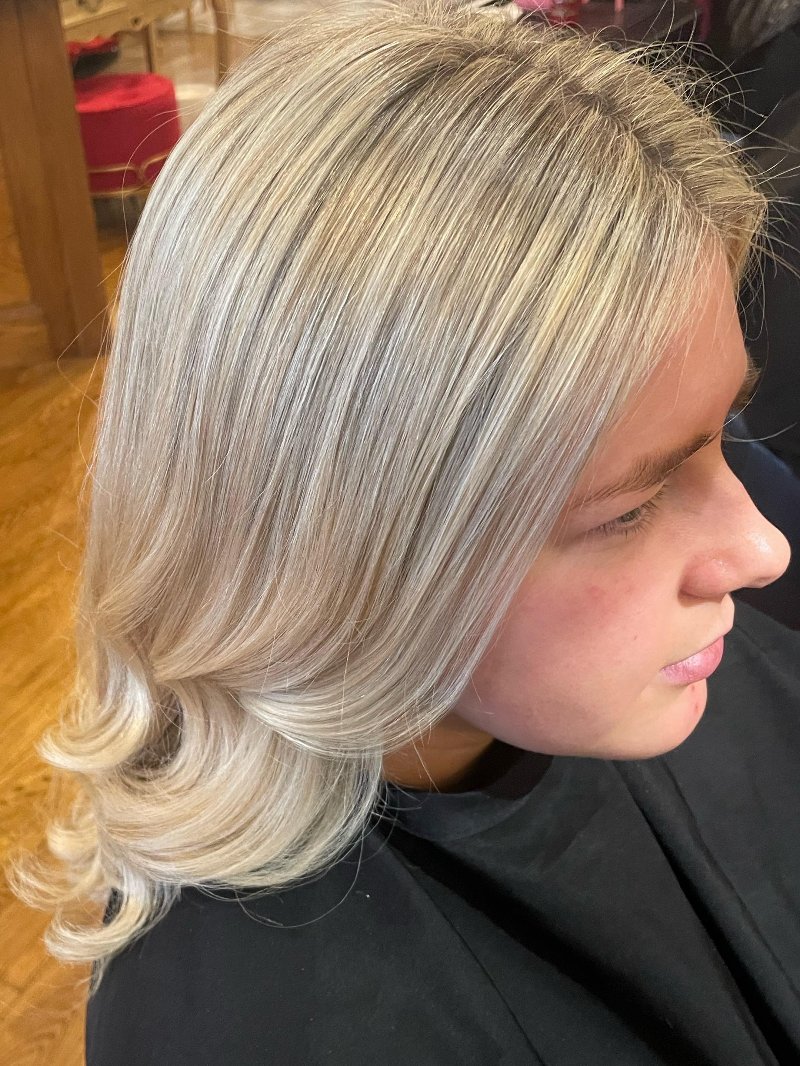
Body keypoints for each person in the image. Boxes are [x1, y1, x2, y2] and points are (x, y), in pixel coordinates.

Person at [6, 1, 799, 1062]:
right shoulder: (269, 1027)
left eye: (722, 435)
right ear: (341, 551)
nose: (761, 548)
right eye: (629, 508)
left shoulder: (631, 676)